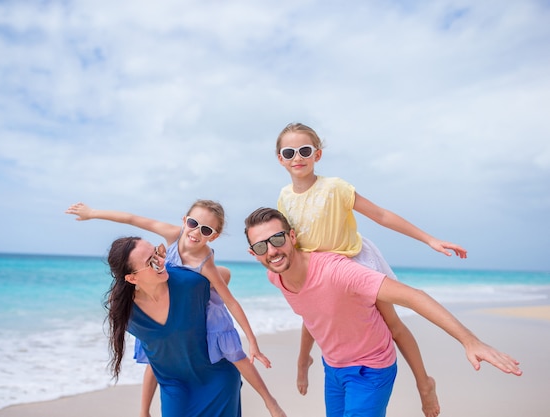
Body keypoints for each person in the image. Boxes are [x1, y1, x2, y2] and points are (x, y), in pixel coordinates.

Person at [244, 207, 522, 417]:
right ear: (253, 253)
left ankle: (424, 384)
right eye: (260, 246)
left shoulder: (337, 271)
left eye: (277, 239)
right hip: (334, 368)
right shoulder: (275, 277)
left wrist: (469, 340)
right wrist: (303, 362)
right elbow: (312, 316)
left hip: (370, 368)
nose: (271, 251)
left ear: (292, 236)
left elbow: (414, 296)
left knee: (396, 327)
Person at [274, 122, 468, 417]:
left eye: (305, 150)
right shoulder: (284, 197)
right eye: (290, 152)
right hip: (318, 274)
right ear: (281, 158)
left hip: (353, 264)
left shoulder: (335, 188)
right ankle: (304, 361)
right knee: (314, 314)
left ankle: (423, 382)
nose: (297, 157)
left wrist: (430, 239)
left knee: (393, 326)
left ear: (318, 154)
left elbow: (380, 215)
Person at [66, 201, 286, 417]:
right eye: (193, 223)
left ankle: (270, 402)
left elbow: (230, 302)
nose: (197, 232)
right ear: (185, 221)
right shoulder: (173, 237)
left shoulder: (202, 266)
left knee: (228, 337)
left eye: (206, 229)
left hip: (205, 316)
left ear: (214, 235)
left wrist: (252, 341)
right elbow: (134, 219)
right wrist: (93, 213)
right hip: (176, 376)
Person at [106, 236, 241, 416]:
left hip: (218, 380)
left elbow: (225, 274)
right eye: (151, 262)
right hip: (175, 387)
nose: (161, 261)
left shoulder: (188, 282)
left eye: (157, 252)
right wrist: (144, 410)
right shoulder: (125, 312)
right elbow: (154, 357)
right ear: (132, 278)